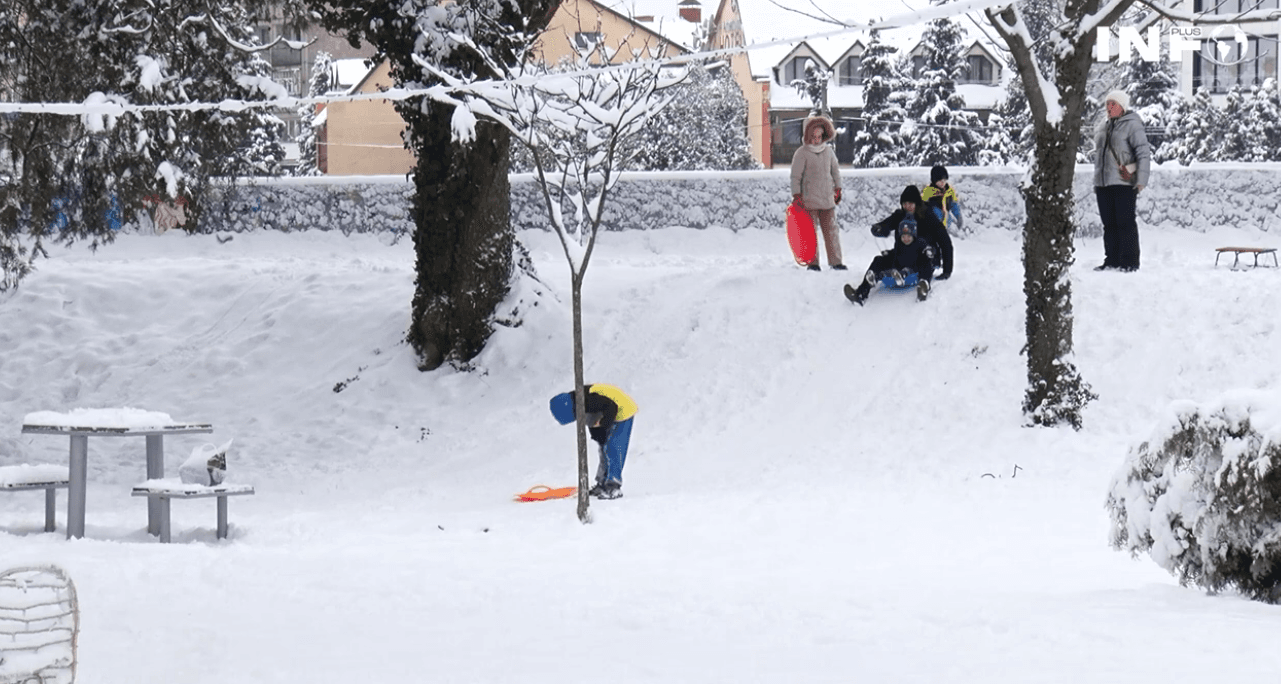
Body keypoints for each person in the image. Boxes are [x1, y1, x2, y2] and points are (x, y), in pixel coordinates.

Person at [1093, 89, 1151, 272]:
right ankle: (1112, 260)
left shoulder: (1132, 124)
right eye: (1107, 104)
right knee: (1108, 224)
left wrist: (1140, 179)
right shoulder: (1103, 125)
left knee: (1125, 223)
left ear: (1123, 106)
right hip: (1103, 183)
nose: (1109, 107)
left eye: (1114, 104)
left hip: (1123, 182)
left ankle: (1130, 262)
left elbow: (1143, 152)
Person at [548, 384, 638, 499]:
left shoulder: (587, 400)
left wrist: (604, 425)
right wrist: (599, 436)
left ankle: (613, 486)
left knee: (614, 448)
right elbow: (592, 420)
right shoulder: (579, 403)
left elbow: (610, 407)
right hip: (610, 412)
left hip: (623, 409)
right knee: (604, 449)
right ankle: (602, 483)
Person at [789, 114, 846, 271]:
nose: (817, 140)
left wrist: (838, 188)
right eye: (814, 137)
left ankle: (836, 262)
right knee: (810, 234)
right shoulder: (802, 153)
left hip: (827, 200)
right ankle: (813, 263)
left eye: (820, 136)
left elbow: (835, 171)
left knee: (832, 232)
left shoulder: (828, 152)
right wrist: (797, 195)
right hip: (808, 202)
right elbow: (795, 176)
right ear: (807, 136)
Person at [843, 215, 936, 305]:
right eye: (903, 236)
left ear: (913, 235)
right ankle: (862, 292)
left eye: (908, 236)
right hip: (898, 268)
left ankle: (923, 288)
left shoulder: (920, 242)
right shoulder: (899, 243)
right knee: (878, 260)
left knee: (926, 261)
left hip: (914, 270)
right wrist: (888, 254)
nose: (905, 239)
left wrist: (929, 251)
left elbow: (929, 249)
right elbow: (895, 253)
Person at [921, 165, 963, 233]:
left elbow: (954, 204)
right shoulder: (928, 191)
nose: (943, 182)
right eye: (940, 180)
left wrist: (958, 216)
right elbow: (922, 203)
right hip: (935, 219)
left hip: (946, 218)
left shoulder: (949, 190)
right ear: (934, 181)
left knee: (953, 205)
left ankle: (950, 227)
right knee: (935, 210)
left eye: (944, 180)